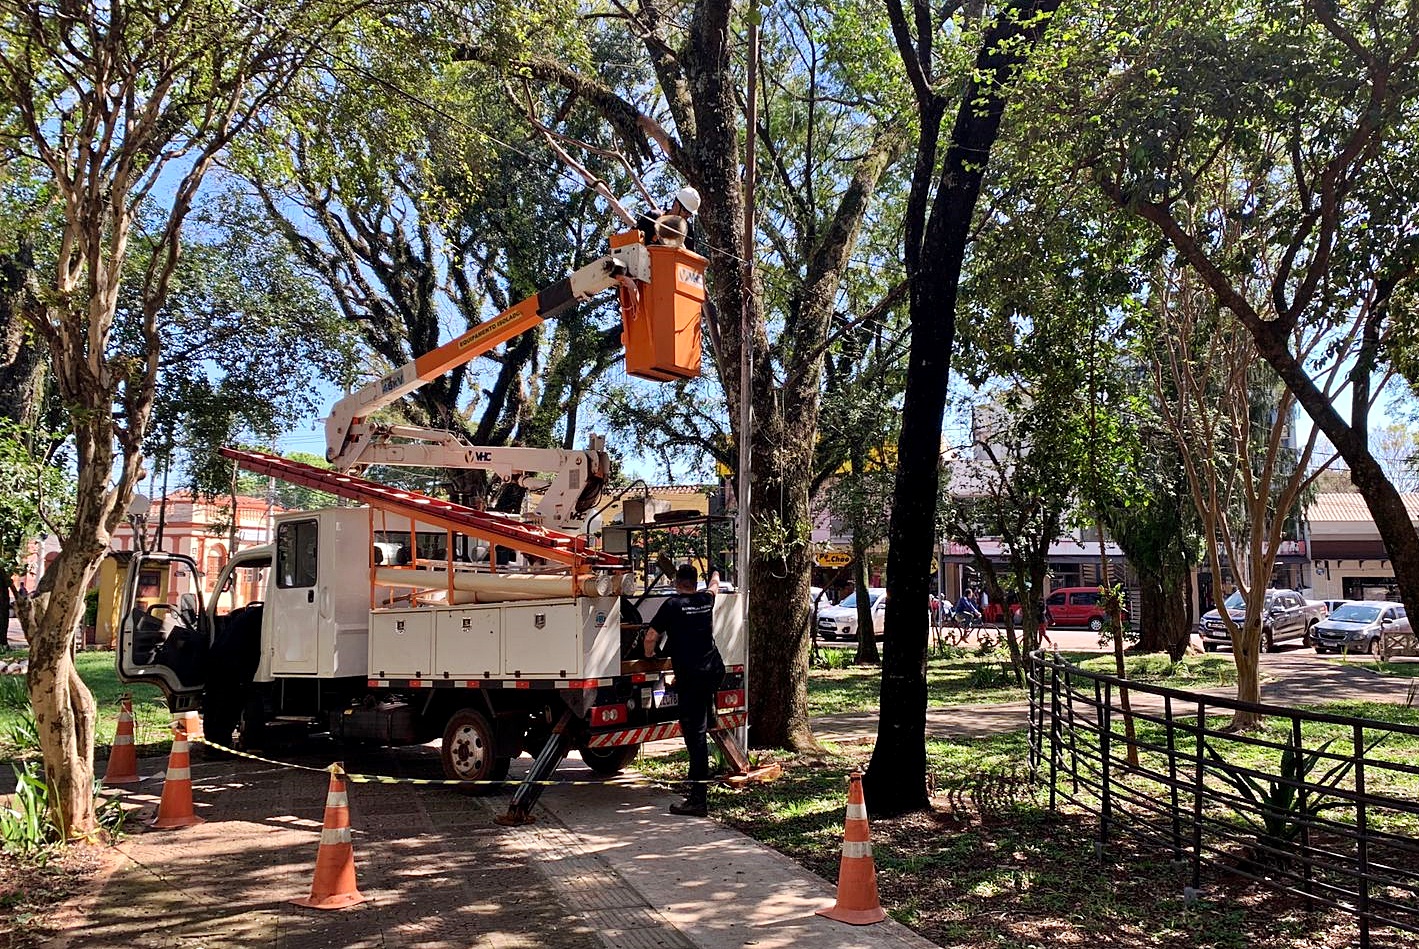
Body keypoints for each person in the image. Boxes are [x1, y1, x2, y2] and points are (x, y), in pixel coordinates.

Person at [644, 563, 724, 817]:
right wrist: (715, 572)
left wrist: (650, 656)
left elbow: (650, 636)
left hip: (692, 677)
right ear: (695, 582)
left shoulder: (672, 605)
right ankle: (710, 712)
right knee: (704, 715)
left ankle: (698, 799)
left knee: (695, 736)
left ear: (677, 582)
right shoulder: (705, 599)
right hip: (713, 670)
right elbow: (715, 587)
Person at [637, 186, 701, 251]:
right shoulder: (652, 217)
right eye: (685, 211)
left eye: (690, 213)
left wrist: (682, 248)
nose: (687, 215)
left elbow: (690, 258)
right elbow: (632, 242)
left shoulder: (688, 232)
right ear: (676, 205)